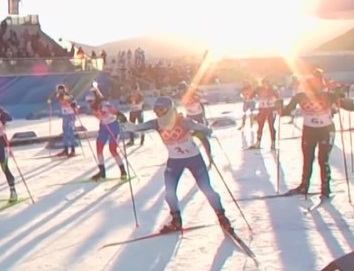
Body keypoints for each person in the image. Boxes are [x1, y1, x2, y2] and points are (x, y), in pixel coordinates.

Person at [123, 96, 233, 233]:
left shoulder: (184, 122)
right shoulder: (156, 123)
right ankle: (176, 220)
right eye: (156, 111)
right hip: (174, 161)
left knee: (206, 189)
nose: (159, 114)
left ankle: (222, 217)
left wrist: (200, 133)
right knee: (169, 193)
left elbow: (207, 130)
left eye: (161, 110)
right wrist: (123, 121)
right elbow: (135, 128)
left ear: (169, 110)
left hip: (194, 159)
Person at [280, 69, 354, 200]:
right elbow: (285, 112)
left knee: (322, 159)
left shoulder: (328, 96)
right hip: (309, 130)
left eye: (318, 85)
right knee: (307, 159)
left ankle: (325, 189)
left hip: (326, 130)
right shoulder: (300, 96)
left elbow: (350, 106)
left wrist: (341, 95)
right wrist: (278, 106)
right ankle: (304, 185)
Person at [86, 85, 128, 182]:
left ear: (95, 100)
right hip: (104, 127)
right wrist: (75, 107)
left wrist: (120, 115)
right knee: (99, 147)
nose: (89, 104)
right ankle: (102, 172)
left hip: (113, 126)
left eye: (91, 101)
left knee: (112, 149)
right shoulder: (93, 108)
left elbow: (114, 110)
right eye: (88, 102)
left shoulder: (103, 105)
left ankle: (123, 171)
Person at [48, 84, 78, 157]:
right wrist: (50, 100)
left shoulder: (66, 95)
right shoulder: (59, 96)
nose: (60, 91)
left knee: (70, 132)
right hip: (65, 116)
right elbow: (51, 99)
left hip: (70, 115)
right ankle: (66, 149)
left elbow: (73, 101)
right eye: (59, 90)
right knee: (65, 132)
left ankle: (73, 150)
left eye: (61, 89)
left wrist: (73, 104)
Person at [250, 78, 279, 150]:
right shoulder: (259, 89)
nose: (264, 85)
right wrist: (254, 93)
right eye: (263, 83)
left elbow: (278, 97)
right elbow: (251, 96)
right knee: (260, 125)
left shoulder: (272, 89)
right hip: (262, 109)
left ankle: (273, 143)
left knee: (271, 126)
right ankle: (258, 142)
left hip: (271, 109)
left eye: (266, 83)